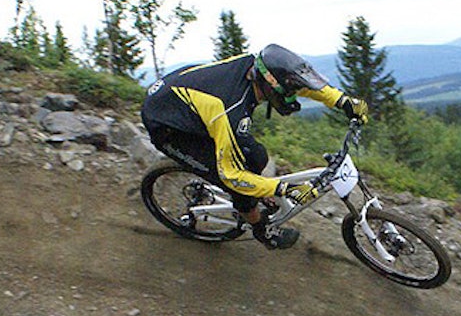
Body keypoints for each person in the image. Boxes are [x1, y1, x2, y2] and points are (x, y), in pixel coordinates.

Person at [140, 43, 369, 249]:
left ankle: (256, 195)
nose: (292, 98)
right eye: (288, 94)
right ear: (269, 86)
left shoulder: (259, 68)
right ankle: (262, 230)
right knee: (238, 185)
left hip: (187, 105)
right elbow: (231, 175)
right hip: (168, 126)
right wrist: (283, 189)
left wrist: (342, 101)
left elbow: (297, 83)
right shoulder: (231, 111)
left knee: (257, 156)